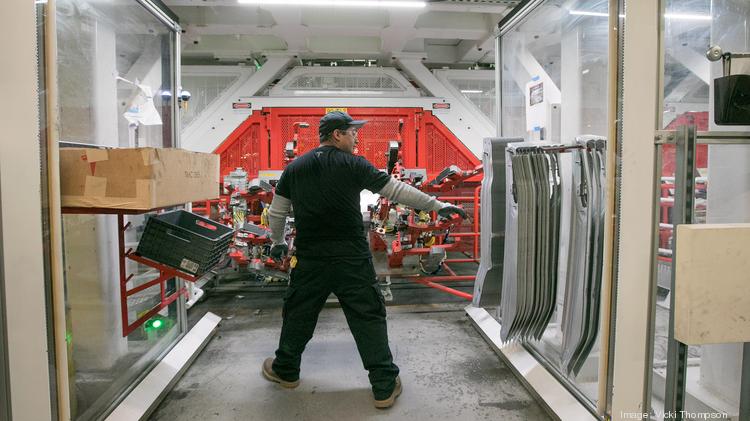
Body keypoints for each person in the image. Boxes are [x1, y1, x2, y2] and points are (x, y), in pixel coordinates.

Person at [261, 111, 467, 409]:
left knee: (298, 313)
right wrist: (439, 205)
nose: (356, 137)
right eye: (352, 132)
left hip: (310, 259)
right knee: (367, 317)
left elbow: (278, 212)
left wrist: (278, 242)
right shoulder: (355, 165)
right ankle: (383, 386)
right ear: (337, 135)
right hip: (351, 259)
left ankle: (286, 371)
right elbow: (397, 190)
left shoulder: (296, 168)